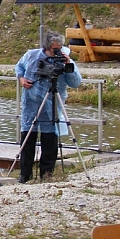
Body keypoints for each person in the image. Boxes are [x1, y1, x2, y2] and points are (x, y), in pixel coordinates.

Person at [15, 30, 82, 183]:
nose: (56, 52)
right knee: (28, 137)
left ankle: (46, 174)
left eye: (59, 48)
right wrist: (22, 79)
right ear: (46, 47)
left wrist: (68, 64)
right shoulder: (31, 55)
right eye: (54, 49)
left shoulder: (65, 59)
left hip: (52, 103)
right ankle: (25, 174)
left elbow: (76, 82)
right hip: (31, 104)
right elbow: (19, 67)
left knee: (50, 139)